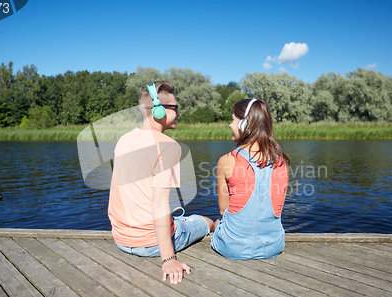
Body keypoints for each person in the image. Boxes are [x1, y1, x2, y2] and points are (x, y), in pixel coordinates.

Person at [108, 81, 215, 284]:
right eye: (175, 108)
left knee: (179, 220)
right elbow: (158, 203)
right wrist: (168, 259)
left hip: (121, 240)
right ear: (158, 110)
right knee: (205, 221)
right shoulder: (168, 146)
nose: (179, 113)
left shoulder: (124, 140)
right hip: (151, 245)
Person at [211, 99, 290, 260]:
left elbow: (223, 210)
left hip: (233, 248)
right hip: (273, 246)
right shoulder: (282, 162)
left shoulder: (226, 160)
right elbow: (278, 210)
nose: (230, 125)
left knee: (218, 222)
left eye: (233, 120)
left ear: (244, 124)